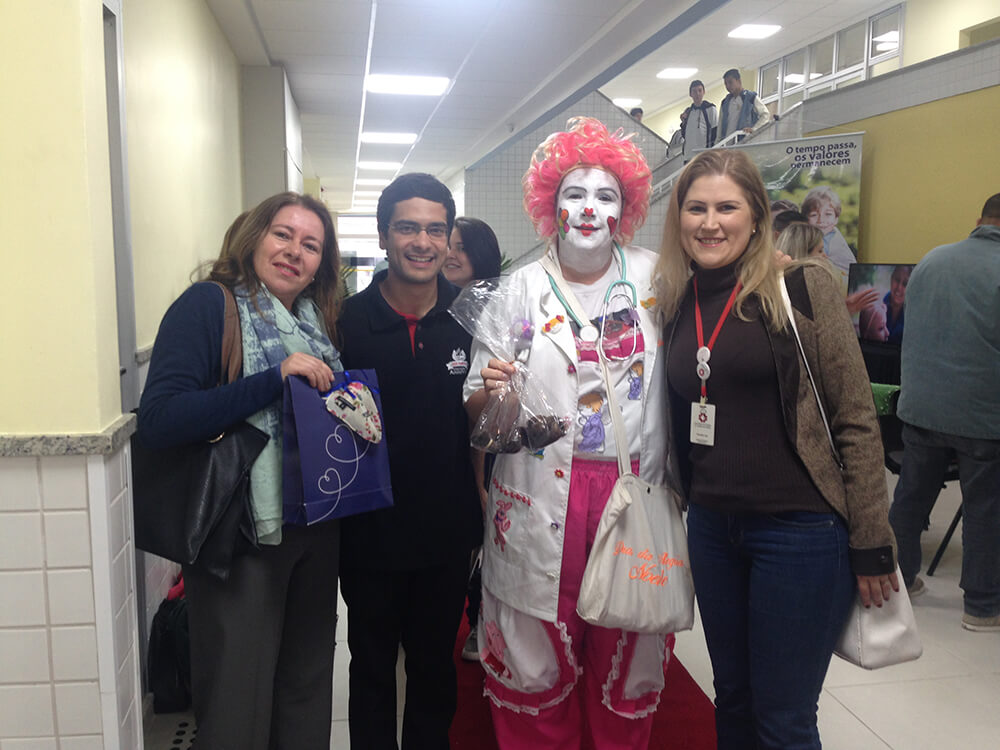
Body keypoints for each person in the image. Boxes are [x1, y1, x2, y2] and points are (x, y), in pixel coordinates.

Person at [653, 149, 897, 749]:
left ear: (757, 217)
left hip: (800, 531)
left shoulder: (802, 286)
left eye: (727, 207)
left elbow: (856, 418)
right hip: (712, 528)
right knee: (732, 698)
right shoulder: (676, 301)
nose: (711, 223)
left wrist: (871, 540)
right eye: (697, 208)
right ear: (678, 219)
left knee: (784, 717)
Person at [464, 117, 675, 749]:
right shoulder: (518, 289)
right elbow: (476, 411)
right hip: (537, 491)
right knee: (532, 658)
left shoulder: (658, 280)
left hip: (631, 490)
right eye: (574, 195)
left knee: (628, 649)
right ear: (551, 206)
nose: (588, 209)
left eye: (605, 196)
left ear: (626, 208)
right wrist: (493, 392)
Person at [137, 192, 344, 750]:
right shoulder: (208, 306)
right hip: (243, 534)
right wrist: (272, 378)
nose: (293, 252)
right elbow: (158, 419)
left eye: (310, 246)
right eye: (283, 235)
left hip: (315, 529)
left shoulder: (313, 321)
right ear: (253, 236)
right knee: (235, 700)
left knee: (306, 689)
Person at [337, 172, 483, 749]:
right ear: (383, 236)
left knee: (433, 669)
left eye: (434, 229)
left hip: (446, 533)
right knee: (371, 668)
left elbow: (486, 422)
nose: (421, 241)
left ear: (449, 242)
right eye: (407, 227)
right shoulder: (344, 323)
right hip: (368, 531)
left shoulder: (474, 321)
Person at [889, 193, 1000, 632]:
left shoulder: (932, 260)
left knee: (910, 500)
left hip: (921, 408)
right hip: (982, 416)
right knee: (985, 510)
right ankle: (982, 605)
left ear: (979, 221)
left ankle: (896, 582)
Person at [443, 215, 503, 662]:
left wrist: (480, 469)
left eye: (461, 246)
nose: (450, 253)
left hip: (487, 441)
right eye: (450, 243)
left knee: (485, 534)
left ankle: (483, 619)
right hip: (446, 440)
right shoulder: (441, 305)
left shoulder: (502, 306)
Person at [801, 185, 856, 278]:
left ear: (836, 219)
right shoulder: (823, 235)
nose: (821, 220)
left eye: (828, 214)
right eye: (814, 215)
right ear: (805, 219)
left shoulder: (829, 240)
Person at [444, 216, 503, 288]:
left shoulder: (501, 298)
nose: (449, 255)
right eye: (447, 247)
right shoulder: (431, 297)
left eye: (462, 248)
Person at [718, 68, 771, 141]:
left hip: (744, 142)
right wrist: (717, 145)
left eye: (730, 82)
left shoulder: (751, 97)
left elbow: (765, 115)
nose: (728, 86)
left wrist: (754, 129)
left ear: (739, 81)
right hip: (726, 145)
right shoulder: (725, 102)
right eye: (726, 84)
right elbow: (720, 126)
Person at [680, 79, 717, 161]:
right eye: (694, 91)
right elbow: (685, 134)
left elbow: (715, 131)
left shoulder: (710, 108)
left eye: (700, 90)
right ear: (690, 94)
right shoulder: (688, 112)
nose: (697, 94)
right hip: (688, 155)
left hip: (703, 155)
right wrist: (683, 123)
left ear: (704, 92)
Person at [881, 264, 911, 345]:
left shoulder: (914, 315)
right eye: (897, 280)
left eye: (905, 284)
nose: (899, 287)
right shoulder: (879, 307)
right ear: (891, 279)